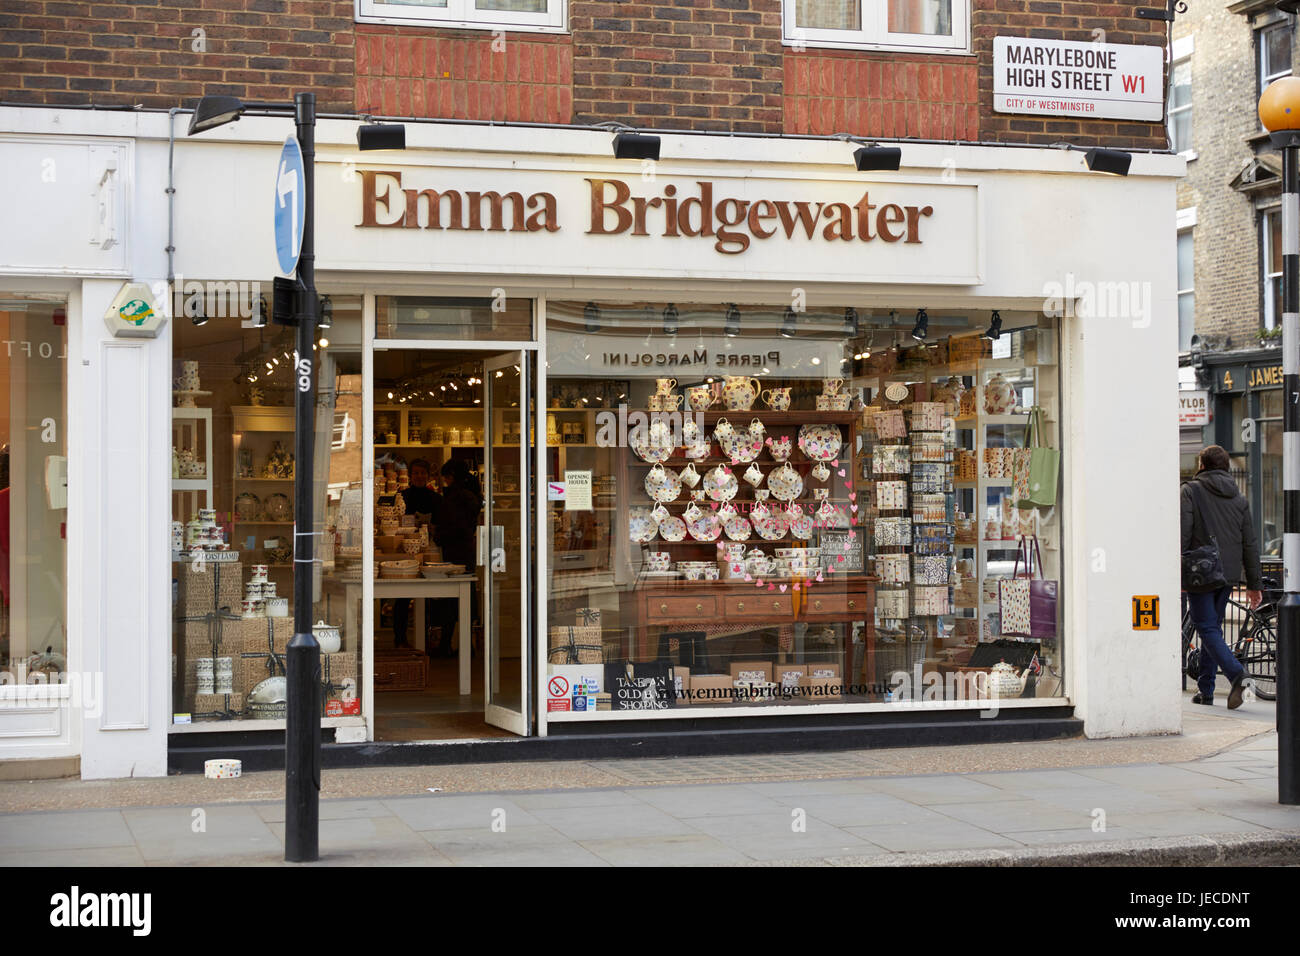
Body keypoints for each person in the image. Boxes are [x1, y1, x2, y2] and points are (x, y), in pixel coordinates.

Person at [1181, 444, 1262, 709]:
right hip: (1227, 574)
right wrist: (1254, 583)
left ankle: (1237, 675)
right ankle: (1206, 690)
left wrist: (1176, 572)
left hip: (1201, 572)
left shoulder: (1190, 491)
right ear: (1226, 467)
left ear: (1202, 465)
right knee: (1212, 626)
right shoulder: (1239, 499)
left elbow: (1182, 533)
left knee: (1206, 627)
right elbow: (1249, 543)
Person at [433, 458, 483, 657]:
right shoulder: (471, 495)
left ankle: (449, 644)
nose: (444, 480)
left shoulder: (458, 497)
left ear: (452, 476)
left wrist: (437, 535)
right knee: (464, 599)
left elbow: (455, 526)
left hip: (455, 552)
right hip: (465, 551)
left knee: (451, 600)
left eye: (446, 476)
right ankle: (464, 644)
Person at [391, 459, 442, 650]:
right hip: (407, 553)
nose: (420, 476)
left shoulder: (436, 498)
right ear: (411, 476)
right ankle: (400, 639)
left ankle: (430, 639)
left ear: (428, 475)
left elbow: (441, 525)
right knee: (403, 596)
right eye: (416, 473)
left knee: (431, 597)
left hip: (430, 551)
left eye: (423, 473)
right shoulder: (402, 497)